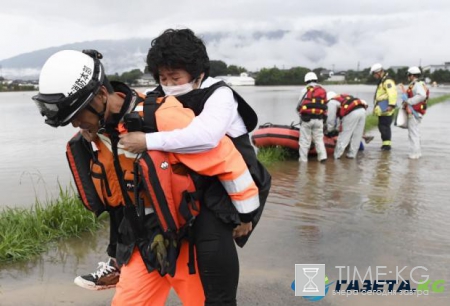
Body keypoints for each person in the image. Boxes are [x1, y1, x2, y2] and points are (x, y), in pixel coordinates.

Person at [33, 49, 261, 305]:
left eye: (77, 116)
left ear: (100, 96)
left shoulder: (160, 116)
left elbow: (226, 159)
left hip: (186, 236)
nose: (76, 125)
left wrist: (245, 214)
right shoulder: (94, 135)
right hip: (143, 243)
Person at [104, 29, 271, 305]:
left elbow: (205, 138)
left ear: (197, 74)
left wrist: (147, 140)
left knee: (214, 272)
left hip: (225, 192)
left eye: (176, 77)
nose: (169, 84)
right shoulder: (158, 95)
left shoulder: (220, 96)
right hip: (191, 188)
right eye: (163, 78)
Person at [295, 71, 327, 162]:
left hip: (307, 119)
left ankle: (303, 161)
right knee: (319, 139)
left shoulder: (305, 90)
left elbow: (299, 105)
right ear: (316, 80)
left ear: (306, 81)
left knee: (304, 141)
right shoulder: (322, 90)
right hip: (319, 119)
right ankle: (322, 158)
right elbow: (325, 106)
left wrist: (300, 116)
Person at [326, 92, 368, 159]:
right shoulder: (345, 98)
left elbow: (331, 118)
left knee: (344, 135)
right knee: (357, 135)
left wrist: (330, 130)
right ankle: (351, 155)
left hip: (352, 113)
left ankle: (337, 156)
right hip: (362, 111)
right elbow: (340, 118)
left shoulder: (331, 102)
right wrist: (337, 128)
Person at [401, 66, 429, 159]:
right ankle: (417, 153)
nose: (408, 76)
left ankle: (414, 155)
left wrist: (409, 101)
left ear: (412, 75)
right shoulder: (416, 84)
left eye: (409, 75)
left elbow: (422, 95)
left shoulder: (417, 85)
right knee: (415, 133)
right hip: (415, 112)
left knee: (413, 134)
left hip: (414, 112)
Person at [370, 63, 398, 151]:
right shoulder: (383, 81)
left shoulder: (387, 81)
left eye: (374, 74)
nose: (374, 76)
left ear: (378, 72)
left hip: (386, 107)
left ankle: (386, 146)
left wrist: (391, 105)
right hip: (382, 107)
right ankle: (385, 145)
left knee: (384, 126)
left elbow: (392, 93)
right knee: (382, 126)